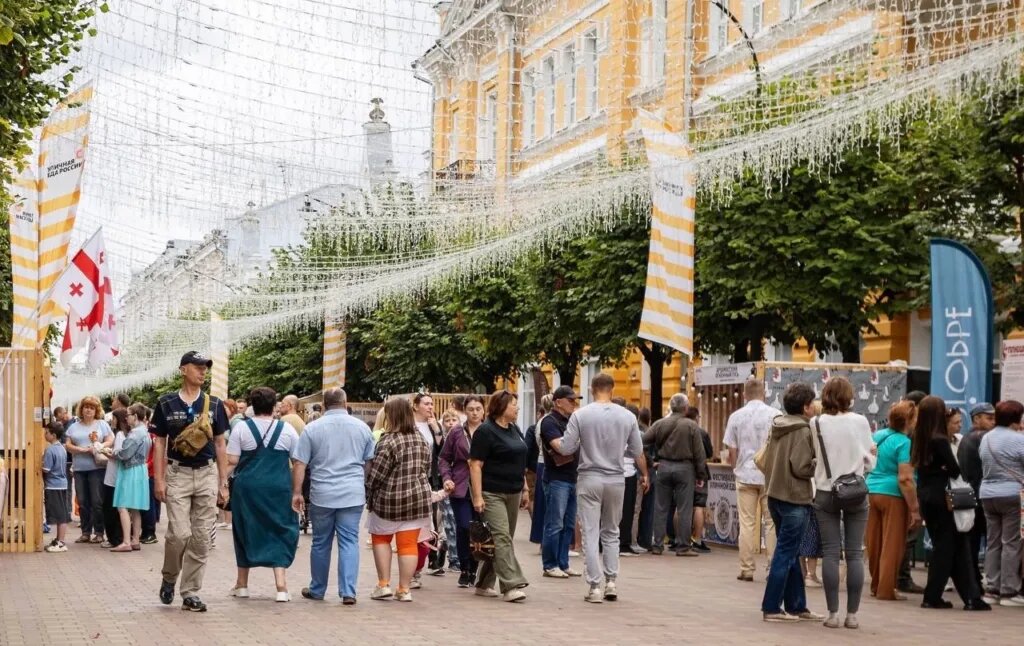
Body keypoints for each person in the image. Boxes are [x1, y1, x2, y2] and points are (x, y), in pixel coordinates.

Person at [552, 373, 648, 604]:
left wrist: (560, 442)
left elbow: (566, 448)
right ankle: (611, 582)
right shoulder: (627, 416)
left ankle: (594, 586)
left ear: (592, 389)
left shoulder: (580, 415)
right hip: (616, 478)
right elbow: (636, 450)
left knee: (590, 532)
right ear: (612, 389)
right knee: (612, 531)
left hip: (589, 477)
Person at [152, 351, 231, 613]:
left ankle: (190, 592)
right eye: (197, 367)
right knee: (178, 534)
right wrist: (159, 480)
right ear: (183, 369)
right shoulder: (166, 403)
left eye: (205, 367)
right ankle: (169, 577)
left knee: (200, 538)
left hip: (207, 473)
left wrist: (223, 482)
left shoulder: (216, 405)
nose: (203, 371)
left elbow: (220, 443)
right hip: (178, 474)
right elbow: (159, 443)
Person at [290, 387, 374, 604]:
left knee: (320, 542)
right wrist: (360, 481)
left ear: (325, 405)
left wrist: (297, 492)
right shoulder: (362, 428)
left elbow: (300, 462)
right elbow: (369, 461)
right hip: (352, 493)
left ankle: (317, 588)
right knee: (349, 541)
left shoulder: (312, 428)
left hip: (322, 492)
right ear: (345, 404)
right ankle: (348, 591)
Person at [912, 396, 990, 611]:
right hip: (944, 498)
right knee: (950, 547)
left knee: (949, 546)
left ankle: (968, 596)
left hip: (927, 496)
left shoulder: (918, 437)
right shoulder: (939, 439)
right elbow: (955, 469)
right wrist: (947, 468)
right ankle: (938, 596)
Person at [224, 387, 299, 602]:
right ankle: (281, 586)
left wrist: (220, 485)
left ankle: (242, 584)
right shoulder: (287, 430)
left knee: (245, 530)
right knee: (280, 528)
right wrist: (297, 490)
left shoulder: (241, 429)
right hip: (278, 487)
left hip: (247, 489)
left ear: (251, 406)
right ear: (274, 406)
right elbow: (297, 462)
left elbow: (232, 462)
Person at [812, 376, 876, 628]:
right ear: (849, 396)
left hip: (826, 491)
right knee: (854, 555)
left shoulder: (815, 422)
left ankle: (832, 614)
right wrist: (870, 457)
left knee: (829, 552)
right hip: (856, 492)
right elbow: (870, 462)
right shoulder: (860, 421)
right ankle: (852, 615)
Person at [759, 382, 824, 623]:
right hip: (794, 497)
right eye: (812, 403)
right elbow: (800, 467)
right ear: (806, 407)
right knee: (785, 554)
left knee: (792, 552)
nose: (815, 407)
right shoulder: (803, 430)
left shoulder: (779, 425)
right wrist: (817, 464)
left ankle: (797, 606)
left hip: (775, 495)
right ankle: (772, 607)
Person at [366, 397, 433, 602]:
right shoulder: (421, 438)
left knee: (381, 539)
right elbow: (427, 468)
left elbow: (377, 475)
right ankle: (404, 588)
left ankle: (383, 584)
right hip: (417, 498)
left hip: (389, 499)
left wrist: (369, 490)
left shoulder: (388, 440)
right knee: (408, 544)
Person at [469, 390, 530, 602]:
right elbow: (475, 465)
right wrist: (477, 497)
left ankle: (484, 584)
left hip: (513, 491)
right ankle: (511, 585)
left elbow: (520, 462)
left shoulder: (514, 430)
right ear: (502, 406)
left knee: (501, 539)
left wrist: (525, 489)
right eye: (514, 404)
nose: (518, 408)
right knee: (502, 537)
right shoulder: (485, 432)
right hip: (491, 492)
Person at [724, 378, 780, 581]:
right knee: (771, 522)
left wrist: (735, 468)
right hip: (769, 475)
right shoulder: (775, 415)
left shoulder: (736, 416)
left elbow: (731, 449)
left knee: (747, 522)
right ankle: (773, 567)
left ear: (745, 394)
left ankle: (747, 568)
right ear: (763, 393)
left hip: (745, 473)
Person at [864, 400, 921, 601]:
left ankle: (876, 584)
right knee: (892, 544)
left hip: (871, 490)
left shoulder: (877, 436)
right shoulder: (904, 443)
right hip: (893, 495)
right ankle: (886, 590)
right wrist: (914, 509)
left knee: (874, 542)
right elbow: (905, 478)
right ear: (910, 420)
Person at [644, 393, 707, 557]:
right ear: (685, 408)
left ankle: (657, 545)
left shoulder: (660, 423)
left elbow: (642, 442)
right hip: (685, 469)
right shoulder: (691, 426)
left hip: (663, 467)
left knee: (660, 508)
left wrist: (651, 462)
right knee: (684, 508)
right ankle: (683, 546)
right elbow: (699, 453)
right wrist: (701, 474)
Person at [978, 400, 1024, 606]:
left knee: (993, 542)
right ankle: (1009, 591)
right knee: (1011, 543)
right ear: (1017, 419)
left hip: (987, 493)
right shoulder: (1018, 440)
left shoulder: (986, 438)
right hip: (1012, 493)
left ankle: (992, 589)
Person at [439, 394, 486, 588]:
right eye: (470, 409)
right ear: (464, 411)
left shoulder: (489, 431)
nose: (474, 413)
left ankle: (474, 568)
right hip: (461, 486)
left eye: (478, 409)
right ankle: (464, 567)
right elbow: (443, 458)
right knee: (465, 527)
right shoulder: (457, 432)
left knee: (480, 529)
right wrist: (447, 478)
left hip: (484, 486)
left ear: (484, 410)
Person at [539, 386, 582, 578]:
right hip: (557, 479)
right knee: (554, 523)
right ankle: (550, 564)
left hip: (572, 477)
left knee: (568, 524)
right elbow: (560, 447)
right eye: (571, 400)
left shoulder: (570, 420)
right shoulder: (549, 421)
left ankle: (563, 563)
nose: (574, 403)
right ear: (558, 402)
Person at [64, 396, 113, 544]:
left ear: (96, 410)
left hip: (97, 468)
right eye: (86, 407)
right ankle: (85, 532)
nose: (88, 410)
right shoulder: (73, 426)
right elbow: (67, 444)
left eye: (92, 408)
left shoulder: (102, 424)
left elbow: (111, 440)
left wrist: (99, 446)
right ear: (82, 409)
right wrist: (80, 449)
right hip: (79, 468)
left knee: (97, 501)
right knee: (83, 501)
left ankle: (99, 532)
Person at [958, 402, 996, 591]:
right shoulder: (983, 438)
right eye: (989, 418)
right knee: (988, 541)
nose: (993, 422)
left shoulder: (967, 437)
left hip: (970, 494)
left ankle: (972, 580)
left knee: (971, 542)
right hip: (981, 496)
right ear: (976, 419)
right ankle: (975, 582)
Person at [109, 404, 152, 553]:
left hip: (130, 470)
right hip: (141, 469)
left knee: (122, 505)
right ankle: (135, 540)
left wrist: (112, 453)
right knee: (135, 508)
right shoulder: (145, 432)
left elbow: (125, 454)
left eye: (128, 414)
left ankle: (126, 541)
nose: (126, 417)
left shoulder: (134, 434)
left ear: (135, 416)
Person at [897, 390, 927, 594]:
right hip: (910, 487)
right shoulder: (913, 435)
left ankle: (897, 575)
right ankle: (903, 577)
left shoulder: (892, 434)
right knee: (909, 534)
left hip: (891, 488)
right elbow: (907, 473)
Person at [412, 393, 444, 577]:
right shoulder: (410, 425)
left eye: (432, 404)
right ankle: (415, 561)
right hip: (414, 477)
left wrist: (437, 430)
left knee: (433, 518)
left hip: (431, 477)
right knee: (417, 521)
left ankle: (433, 557)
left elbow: (442, 449)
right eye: (426, 404)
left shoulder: (433, 426)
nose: (430, 407)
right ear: (416, 406)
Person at [525, 396, 553, 549]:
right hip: (541, 467)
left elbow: (528, 447)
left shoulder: (537, 425)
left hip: (536, 466)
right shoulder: (548, 423)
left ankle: (540, 533)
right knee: (541, 502)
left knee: (537, 501)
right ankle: (544, 537)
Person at [436, 409, 462, 576]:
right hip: (445, 487)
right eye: (448, 421)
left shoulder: (463, 438)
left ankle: (447, 549)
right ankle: (454, 559)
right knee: (449, 523)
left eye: (454, 420)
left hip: (460, 486)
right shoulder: (440, 440)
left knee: (457, 523)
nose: (451, 423)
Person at [685, 406, 714, 553]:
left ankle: (679, 539)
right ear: (696, 417)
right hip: (699, 472)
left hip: (684, 471)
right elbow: (709, 452)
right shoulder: (701, 432)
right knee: (699, 506)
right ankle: (696, 539)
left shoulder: (678, 430)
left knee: (681, 505)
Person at [100, 409, 130, 549]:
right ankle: (119, 537)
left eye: (114, 418)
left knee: (110, 508)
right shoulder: (125, 434)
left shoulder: (119, 435)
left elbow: (117, 455)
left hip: (113, 476)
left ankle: (114, 537)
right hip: (119, 475)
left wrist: (103, 451)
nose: (112, 420)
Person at [43, 421, 71, 553]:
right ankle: (59, 540)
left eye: (47, 432)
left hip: (53, 485)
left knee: (60, 515)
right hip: (62, 483)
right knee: (62, 513)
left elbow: (46, 469)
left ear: (53, 435)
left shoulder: (49, 450)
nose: (44, 434)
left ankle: (60, 542)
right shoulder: (62, 448)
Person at [140, 406, 161, 545]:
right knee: (145, 503)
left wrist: (147, 466)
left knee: (149, 504)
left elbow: (155, 455)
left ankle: (150, 532)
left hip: (149, 473)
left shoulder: (151, 435)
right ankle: (145, 531)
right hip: (144, 472)